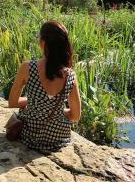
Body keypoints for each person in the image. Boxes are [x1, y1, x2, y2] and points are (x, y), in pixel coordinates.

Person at [8, 21, 81, 151]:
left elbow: (12, 102)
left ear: (43, 43)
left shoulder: (27, 67)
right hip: (59, 137)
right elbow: (75, 116)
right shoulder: (70, 75)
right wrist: (56, 109)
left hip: (31, 137)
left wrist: (35, 103)